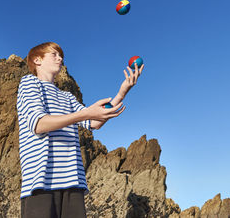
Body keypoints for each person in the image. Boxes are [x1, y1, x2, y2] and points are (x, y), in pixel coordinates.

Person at [17, 42, 144, 218]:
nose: (60, 58)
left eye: (61, 56)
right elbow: (39, 124)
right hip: (41, 183)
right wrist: (85, 114)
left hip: (72, 182)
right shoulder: (29, 83)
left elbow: (94, 122)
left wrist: (122, 92)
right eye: (54, 54)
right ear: (37, 60)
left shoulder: (67, 96)